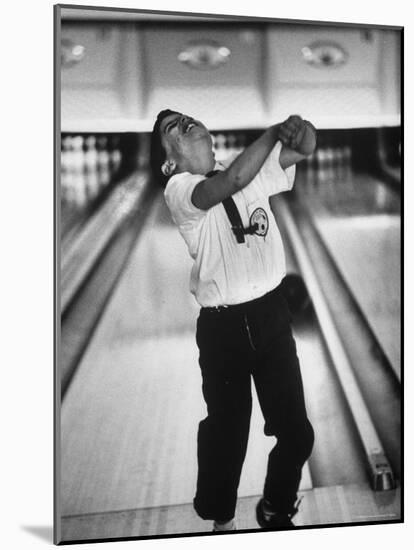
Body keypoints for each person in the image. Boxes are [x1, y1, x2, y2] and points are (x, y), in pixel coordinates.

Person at [150, 109, 316, 533]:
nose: (186, 123)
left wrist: (301, 130)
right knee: (227, 435)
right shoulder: (180, 190)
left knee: (297, 433)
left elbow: (303, 148)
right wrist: (273, 132)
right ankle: (221, 522)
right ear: (169, 161)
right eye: (174, 127)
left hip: (272, 317)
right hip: (223, 330)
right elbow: (233, 182)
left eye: (188, 118)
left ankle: (277, 508)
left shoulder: (248, 169)